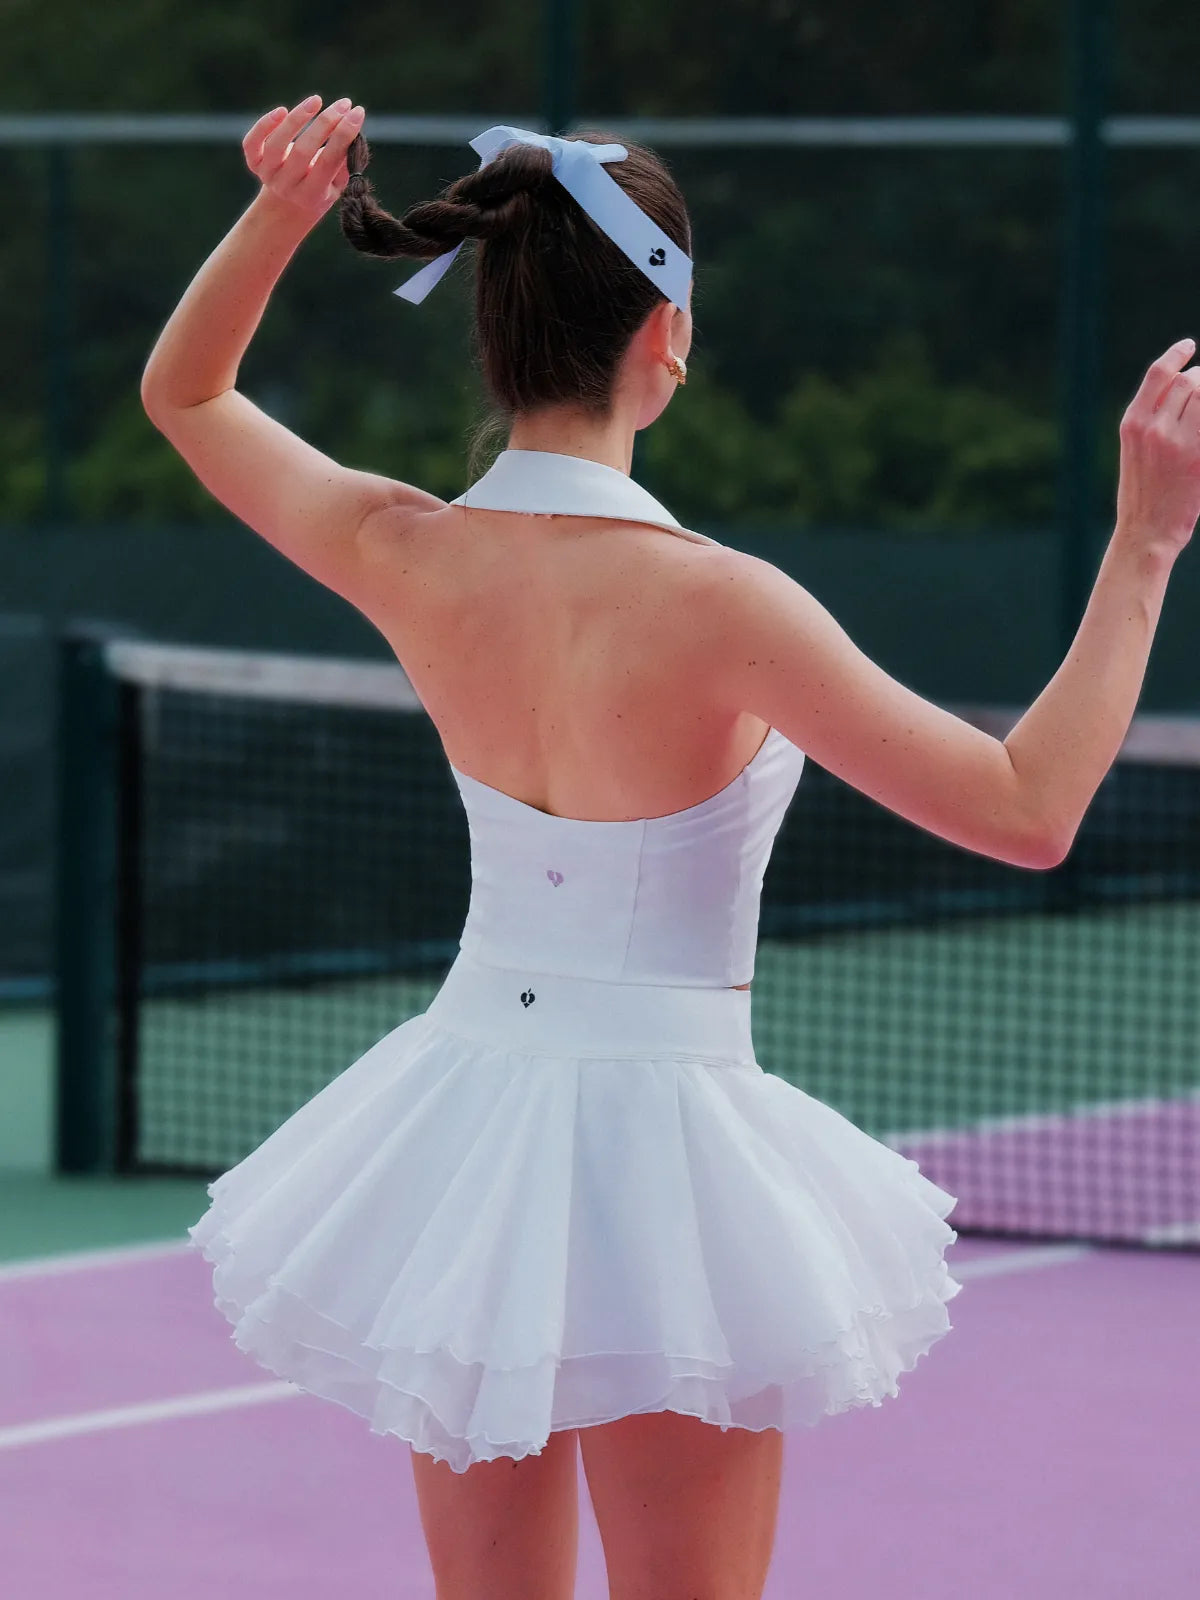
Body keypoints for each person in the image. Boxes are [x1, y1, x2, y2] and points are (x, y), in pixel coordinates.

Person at [141, 95, 1200, 1600]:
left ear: (494, 329)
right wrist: (1145, 545)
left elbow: (186, 396)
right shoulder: (723, 602)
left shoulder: (405, 549)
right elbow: (1028, 809)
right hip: (661, 1161)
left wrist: (278, 216)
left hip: (465, 1133)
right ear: (668, 339)